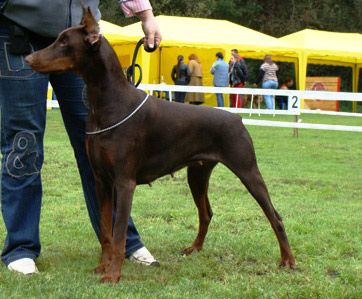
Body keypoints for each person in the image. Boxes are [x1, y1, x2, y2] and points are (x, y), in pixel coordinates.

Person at [0, 0, 162, 275]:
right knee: (23, 143)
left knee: (102, 144)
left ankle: (122, 242)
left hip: (82, 40)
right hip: (20, 32)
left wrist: (145, 13)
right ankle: (21, 247)